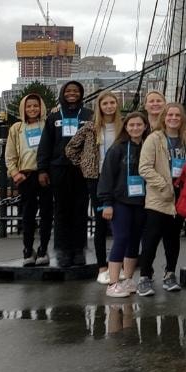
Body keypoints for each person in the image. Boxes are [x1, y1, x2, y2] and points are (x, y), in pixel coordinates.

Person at [64, 90, 122, 281]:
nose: (109, 106)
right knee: (100, 222)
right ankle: (102, 266)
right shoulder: (90, 127)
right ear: (99, 106)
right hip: (96, 178)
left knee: (120, 223)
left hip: (119, 178)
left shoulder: (122, 127)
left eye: (112, 102)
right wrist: (85, 163)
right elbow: (71, 148)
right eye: (105, 103)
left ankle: (118, 264)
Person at [136, 102, 186, 295]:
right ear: (164, 118)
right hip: (159, 197)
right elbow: (144, 168)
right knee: (151, 237)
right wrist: (163, 185)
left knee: (172, 238)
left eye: (177, 115)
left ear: (182, 118)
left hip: (180, 197)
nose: (173, 118)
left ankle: (170, 273)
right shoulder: (154, 139)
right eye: (170, 115)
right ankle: (145, 276)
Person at [36, 80, 92, 268]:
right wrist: (42, 169)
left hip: (81, 169)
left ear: (81, 93)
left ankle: (78, 250)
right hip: (59, 168)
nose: (72, 93)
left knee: (80, 210)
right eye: (68, 90)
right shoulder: (53, 116)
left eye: (76, 90)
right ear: (63, 93)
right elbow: (45, 144)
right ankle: (62, 250)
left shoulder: (88, 115)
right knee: (61, 210)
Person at [96, 112, 151, 298]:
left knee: (134, 240)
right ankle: (113, 282)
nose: (135, 128)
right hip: (120, 201)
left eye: (139, 125)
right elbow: (107, 176)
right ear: (126, 128)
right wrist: (106, 203)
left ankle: (127, 279)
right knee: (121, 238)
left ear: (145, 126)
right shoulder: (117, 148)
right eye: (131, 125)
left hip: (141, 201)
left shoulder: (147, 146)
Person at [5, 92, 52, 266]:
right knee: (28, 214)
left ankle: (43, 249)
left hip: (45, 174)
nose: (32, 109)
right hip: (26, 175)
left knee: (47, 213)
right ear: (23, 108)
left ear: (41, 108)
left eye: (36, 105)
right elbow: (10, 153)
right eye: (29, 106)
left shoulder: (47, 125)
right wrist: (15, 172)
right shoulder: (17, 128)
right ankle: (27, 249)